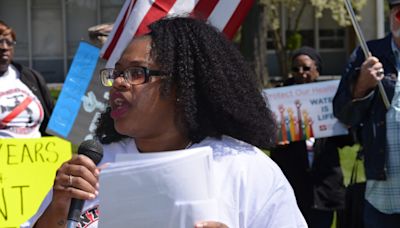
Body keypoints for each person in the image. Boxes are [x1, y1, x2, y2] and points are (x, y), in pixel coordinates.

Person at [22, 17, 307, 228]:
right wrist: (58, 207)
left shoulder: (245, 169)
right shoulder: (93, 167)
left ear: (183, 87)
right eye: (117, 72)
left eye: (136, 73)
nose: (118, 83)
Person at [333, 0, 400, 227]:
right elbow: (344, 115)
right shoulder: (368, 54)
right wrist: (362, 84)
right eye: (396, 10)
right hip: (384, 197)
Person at [270, 47, 353, 228]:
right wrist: (274, 138)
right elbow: (266, 138)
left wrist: (347, 124)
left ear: (317, 70)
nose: (301, 73)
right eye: (296, 69)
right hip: (292, 187)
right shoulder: (279, 99)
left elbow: (347, 141)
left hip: (324, 188)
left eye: (306, 68)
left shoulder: (332, 98)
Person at [0, 20, 53, 138]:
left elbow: (52, 121)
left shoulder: (31, 77)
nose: (4, 47)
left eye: (9, 42)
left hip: (38, 154)